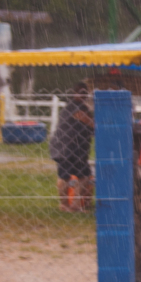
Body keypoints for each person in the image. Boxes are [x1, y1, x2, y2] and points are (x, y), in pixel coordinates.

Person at [49, 81, 94, 212]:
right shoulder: (76, 107)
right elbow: (88, 121)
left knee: (84, 175)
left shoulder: (78, 107)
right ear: (75, 93)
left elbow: (88, 125)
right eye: (82, 92)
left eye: (85, 93)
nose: (84, 95)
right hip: (66, 148)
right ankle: (64, 205)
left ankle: (75, 205)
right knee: (65, 176)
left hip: (76, 149)